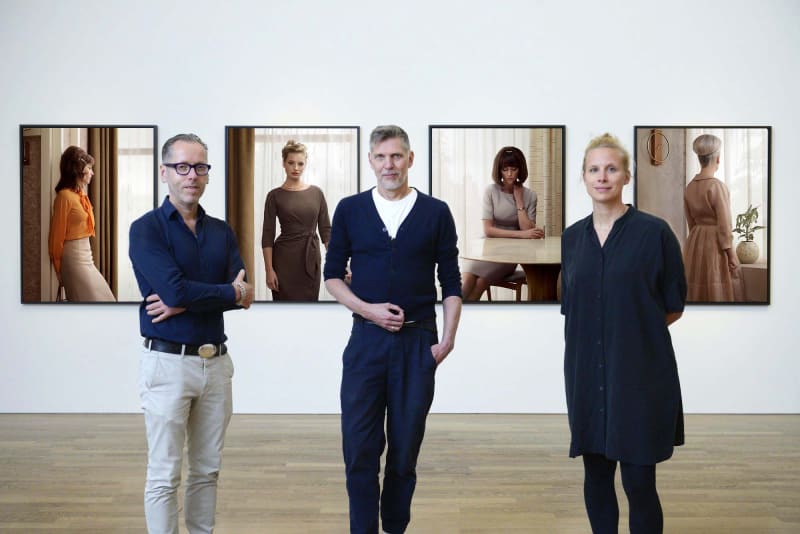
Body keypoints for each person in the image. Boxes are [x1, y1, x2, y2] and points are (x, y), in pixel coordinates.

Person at [324, 125, 462, 534]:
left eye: (396, 156)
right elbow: (332, 277)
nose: (389, 165)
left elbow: (451, 283)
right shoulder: (350, 209)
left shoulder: (436, 212)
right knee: (360, 449)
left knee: (404, 453)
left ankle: (395, 526)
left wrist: (447, 341)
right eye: (381, 157)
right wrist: (368, 311)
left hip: (418, 344)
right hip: (365, 344)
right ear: (370, 161)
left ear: (410, 159)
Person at [560, 133, 686, 534]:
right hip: (585, 376)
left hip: (639, 376)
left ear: (626, 175)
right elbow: (575, 308)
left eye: (611, 168)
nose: (603, 177)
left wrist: (630, 335)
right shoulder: (572, 238)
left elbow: (673, 304)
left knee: (638, 482)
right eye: (594, 169)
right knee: (596, 477)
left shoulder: (655, 233)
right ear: (583, 177)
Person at [129, 133, 254, 534]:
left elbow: (245, 293)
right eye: (182, 166)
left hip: (216, 365)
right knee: (165, 473)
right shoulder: (145, 229)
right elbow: (181, 290)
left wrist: (185, 297)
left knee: (207, 470)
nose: (192, 175)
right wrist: (220, 292)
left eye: (200, 167)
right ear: (164, 172)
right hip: (167, 365)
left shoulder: (222, 231)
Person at [461, 146, 544, 300]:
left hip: (510, 255)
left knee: (481, 283)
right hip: (487, 250)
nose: (510, 174)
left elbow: (528, 230)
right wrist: (522, 234)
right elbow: (488, 230)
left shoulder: (530, 195)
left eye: (514, 169)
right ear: (499, 170)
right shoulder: (490, 191)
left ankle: (465, 320)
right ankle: (453, 319)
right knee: (466, 281)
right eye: (505, 169)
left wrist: (519, 201)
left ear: (520, 169)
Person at [262, 139, 331, 301]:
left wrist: (339, 262)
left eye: (300, 164)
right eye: (291, 163)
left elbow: (326, 232)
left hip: (310, 259)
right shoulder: (274, 196)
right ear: (283, 163)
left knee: (310, 310)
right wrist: (269, 270)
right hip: (283, 262)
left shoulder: (317, 193)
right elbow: (267, 235)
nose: (296, 168)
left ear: (306, 164)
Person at [48, 145, 115, 301]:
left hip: (87, 256)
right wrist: (58, 270)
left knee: (107, 299)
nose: (92, 172)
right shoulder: (64, 197)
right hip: (73, 260)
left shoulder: (80, 195)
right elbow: (56, 238)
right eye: (89, 168)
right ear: (78, 169)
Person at [684, 134, 742, 302]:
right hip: (714, 243)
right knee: (717, 286)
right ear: (718, 158)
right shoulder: (716, 186)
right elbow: (724, 225)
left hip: (695, 241)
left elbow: (691, 222)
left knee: (697, 286)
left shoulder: (689, 187)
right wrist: (731, 254)